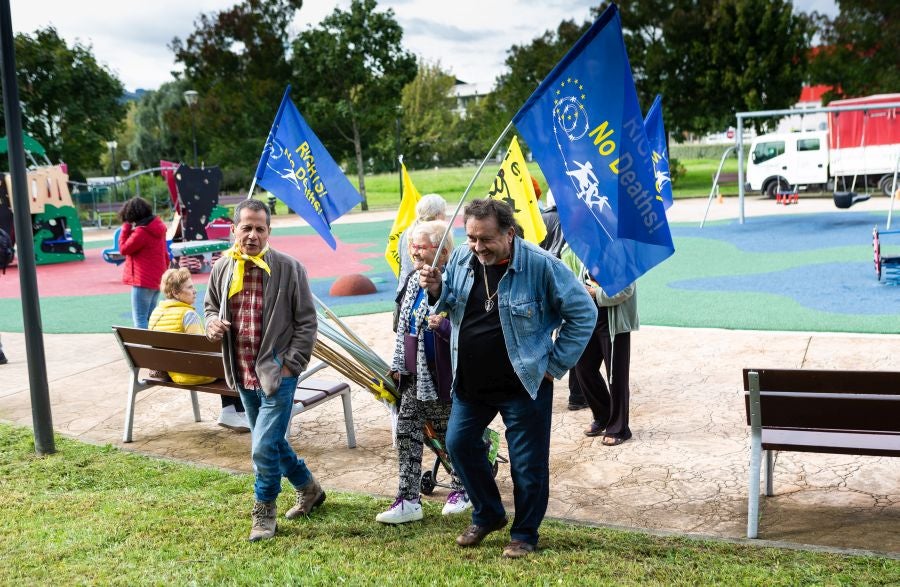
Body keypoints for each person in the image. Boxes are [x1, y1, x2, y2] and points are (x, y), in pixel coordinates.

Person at [419, 198, 596, 559]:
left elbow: (584, 313)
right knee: (458, 445)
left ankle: (525, 534)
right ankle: (488, 513)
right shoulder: (462, 259)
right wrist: (437, 288)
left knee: (527, 465)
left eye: (485, 239)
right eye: (471, 238)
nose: (477, 247)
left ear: (509, 233)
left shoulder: (542, 265)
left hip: (524, 383)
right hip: (471, 383)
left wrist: (554, 365)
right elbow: (449, 301)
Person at [205, 199, 324, 542]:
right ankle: (309, 487)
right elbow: (210, 305)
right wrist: (212, 323)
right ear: (234, 230)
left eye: (260, 228)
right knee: (271, 442)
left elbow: (306, 323)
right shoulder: (223, 268)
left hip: (277, 376)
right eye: (246, 227)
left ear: (269, 231)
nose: (253, 235)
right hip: (242, 373)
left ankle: (264, 511)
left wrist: (291, 365)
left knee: (261, 445)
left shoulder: (288, 268)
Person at [378, 220, 471, 524]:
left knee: (450, 436)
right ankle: (408, 499)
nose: (415, 254)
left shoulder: (457, 282)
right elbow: (401, 326)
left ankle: (465, 488)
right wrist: (398, 364)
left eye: (422, 249)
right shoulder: (409, 281)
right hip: (414, 374)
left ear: (443, 253)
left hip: (446, 375)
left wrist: (443, 327)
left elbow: (468, 328)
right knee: (407, 431)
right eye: (412, 248)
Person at [148, 267, 248, 432]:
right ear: (175, 292)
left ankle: (235, 412)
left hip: (173, 372)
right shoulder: (188, 315)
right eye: (189, 287)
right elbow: (202, 350)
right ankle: (234, 411)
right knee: (232, 361)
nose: (195, 291)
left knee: (223, 361)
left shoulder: (156, 312)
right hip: (192, 373)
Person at [562, 244, 638, 446]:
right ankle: (603, 415)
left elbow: (627, 289)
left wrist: (597, 294)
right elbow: (582, 280)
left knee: (616, 376)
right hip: (589, 318)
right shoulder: (587, 249)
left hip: (613, 322)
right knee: (582, 368)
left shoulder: (621, 251)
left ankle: (619, 428)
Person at [536, 187, 588, 411]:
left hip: (540, 285)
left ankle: (536, 387)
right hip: (565, 282)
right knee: (571, 335)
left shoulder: (539, 219)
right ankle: (576, 395)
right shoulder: (573, 220)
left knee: (540, 336)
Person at [118, 196, 169, 329]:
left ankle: (144, 348)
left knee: (140, 319)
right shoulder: (158, 228)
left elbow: (124, 249)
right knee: (150, 317)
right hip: (158, 278)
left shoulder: (141, 232)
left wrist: (126, 227)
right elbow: (165, 254)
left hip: (142, 280)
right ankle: (153, 346)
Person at [396, 194, 448, 295]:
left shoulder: (405, 233)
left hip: (404, 292)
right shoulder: (437, 236)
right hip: (425, 294)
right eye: (444, 212)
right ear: (438, 215)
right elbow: (448, 264)